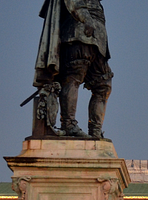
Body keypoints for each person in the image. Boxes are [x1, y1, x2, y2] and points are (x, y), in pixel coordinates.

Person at [34, 0, 113, 138]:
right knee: (74, 76)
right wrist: (86, 18)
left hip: (98, 41)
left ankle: (95, 131)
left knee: (103, 85)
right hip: (77, 33)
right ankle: (69, 124)